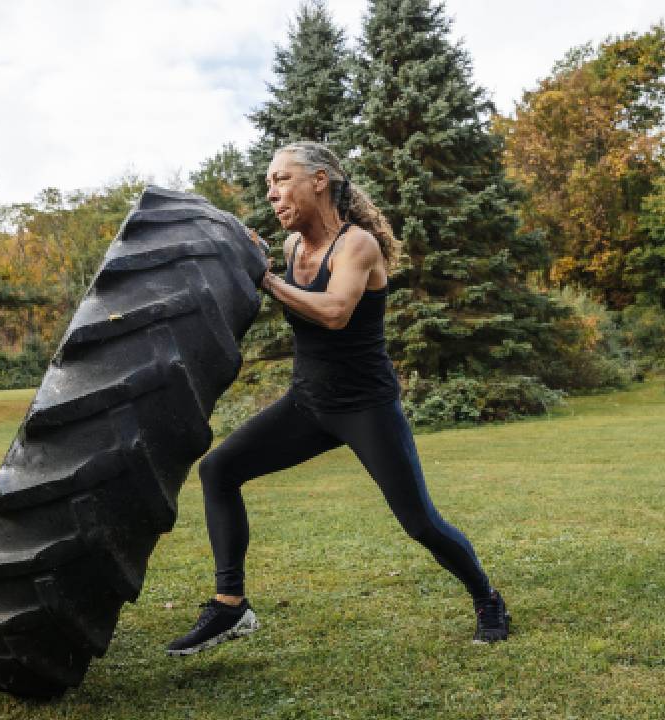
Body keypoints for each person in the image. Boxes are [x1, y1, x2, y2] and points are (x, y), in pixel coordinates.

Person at [166, 141, 509, 656]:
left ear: (320, 180)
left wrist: (268, 282)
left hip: (366, 408)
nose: (272, 192)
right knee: (219, 470)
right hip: (307, 405)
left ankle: (487, 597)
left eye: (282, 179)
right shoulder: (288, 251)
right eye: (268, 183)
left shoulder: (357, 246)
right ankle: (231, 603)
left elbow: (333, 311)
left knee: (421, 523)